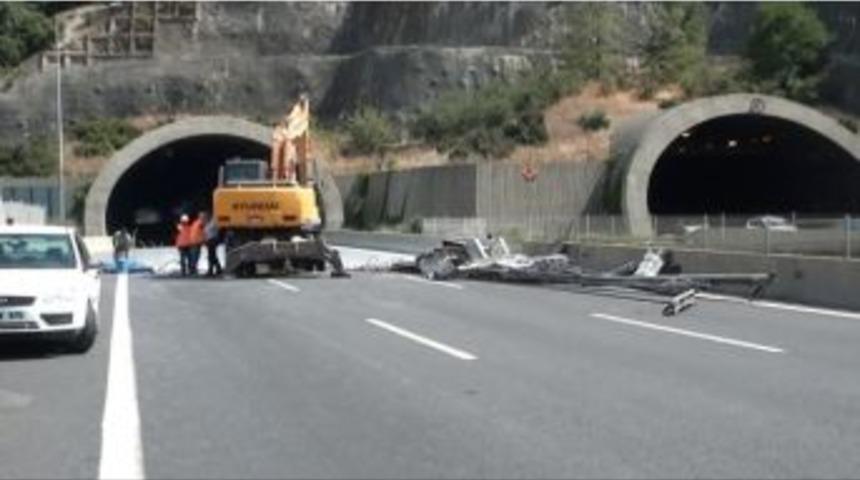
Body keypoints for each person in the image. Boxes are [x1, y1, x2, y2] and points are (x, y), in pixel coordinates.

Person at [202, 212, 222, 276]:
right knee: (212, 256)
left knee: (211, 256)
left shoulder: (213, 222)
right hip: (209, 241)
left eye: (205, 217)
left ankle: (211, 270)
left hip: (213, 240)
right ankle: (217, 269)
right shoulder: (207, 223)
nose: (204, 218)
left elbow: (217, 227)